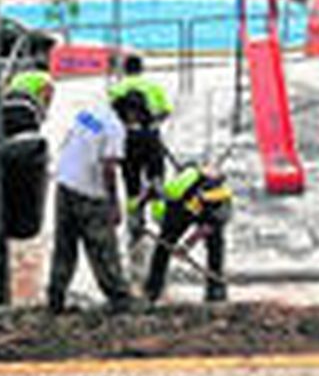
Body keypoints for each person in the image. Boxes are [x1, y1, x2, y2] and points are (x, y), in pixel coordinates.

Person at [44, 89, 150, 313]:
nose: (135, 123)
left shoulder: (91, 112)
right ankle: (120, 299)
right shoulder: (115, 129)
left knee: (64, 247)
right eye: (137, 117)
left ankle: (56, 297)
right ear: (130, 112)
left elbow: (70, 140)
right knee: (104, 248)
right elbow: (109, 168)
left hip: (65, 184)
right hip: (89, 193)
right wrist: (113, 204)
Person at [142, 163, 232, 303]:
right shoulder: (177, 191)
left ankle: (215, 289)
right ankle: (152, 290)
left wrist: (187, 245)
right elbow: (153, 198)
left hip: (207, 208)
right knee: (164, 245)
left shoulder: (218, 201)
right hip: (182, 205)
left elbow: (207, 227)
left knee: (216, 245)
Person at [107, 53, 173, 240]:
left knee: (131, 181)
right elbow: (166, 110)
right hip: (151, 138)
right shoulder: (154, 87)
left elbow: (111, 117)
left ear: (125, 69)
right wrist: (153, 123)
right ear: (141, 69)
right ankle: (161, 219)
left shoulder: (116, 89)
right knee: (156, 177)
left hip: (127, 140)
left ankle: (136, 222)